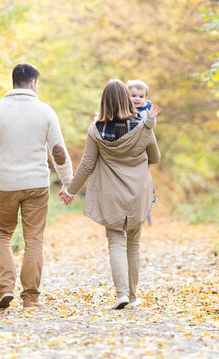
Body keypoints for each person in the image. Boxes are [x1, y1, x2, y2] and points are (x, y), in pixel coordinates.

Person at [0, 62, 73, 310]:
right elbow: (59, 152)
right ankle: (30, 297)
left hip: (6, 184)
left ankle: (5, 289)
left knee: (1, 234)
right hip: (37, 184)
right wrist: (68, 183)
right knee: (34, 239)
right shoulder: (46, 111)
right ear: (34, 83)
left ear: (13, 82)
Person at [59, 79, 160, 310]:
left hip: (111, 195)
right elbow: (155, 158)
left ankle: (121, 294)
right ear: (127, 100)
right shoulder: (143, 126)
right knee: (133, 244)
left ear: (104, 103)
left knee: (115, 241)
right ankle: (133, 297)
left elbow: (86, 164)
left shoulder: (96, 130)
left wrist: (70, 190)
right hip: (137, 193)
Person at [127, 79, 158, 224]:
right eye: (133, 96)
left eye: (140, 97)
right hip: (127, 147)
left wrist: (151, 118)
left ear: (146, 98)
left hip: (141, 148)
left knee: (144, 178)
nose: (137, 99)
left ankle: (148, 202)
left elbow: (149, 126)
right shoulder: (124, 108)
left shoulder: (146, 111)